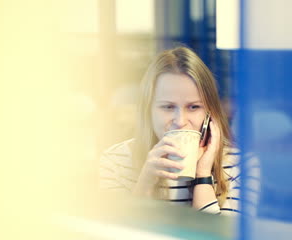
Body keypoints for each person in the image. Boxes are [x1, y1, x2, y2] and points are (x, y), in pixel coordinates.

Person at [99, 47, 259, 216]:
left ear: (209, 113)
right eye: (167, 107)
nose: (180, 121)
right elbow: (121, 239)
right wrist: (145, 184)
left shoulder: (241, 165)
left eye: (194, 107)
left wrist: (203, 176)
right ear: (148, 110)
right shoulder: (115, 161)